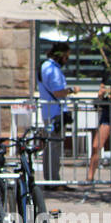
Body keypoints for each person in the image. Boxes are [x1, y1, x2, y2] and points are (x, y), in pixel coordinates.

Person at [38, 42, 77, 185]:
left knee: (51, 147)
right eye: (66, 57)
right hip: (54, 114)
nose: (67, 60)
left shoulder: (48, 67)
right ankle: (53, 181)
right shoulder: (52, 69)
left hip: (51, 112)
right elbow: (58, 92)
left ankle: (52, 179)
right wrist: (72, 90)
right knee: (54, 148)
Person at [87, 51, 111, 184]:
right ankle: (89, 177)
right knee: (96, 145)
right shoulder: (106, 73)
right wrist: (101, 93)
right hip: (107, 110)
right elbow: (101, 92)